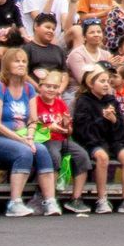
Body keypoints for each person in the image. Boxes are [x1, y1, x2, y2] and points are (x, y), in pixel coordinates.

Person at [0, 48, 60, 217]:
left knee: (42, 150)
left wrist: (30, 136)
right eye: (17, 61)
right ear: (7, 64)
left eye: (24, 61)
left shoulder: (29, 89)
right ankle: (14, 203)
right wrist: (21, 140)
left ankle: (50, 201)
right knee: (24, 152)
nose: (21, 64)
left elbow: (32, 119)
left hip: (23, 136)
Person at [73, 65, 124, 213]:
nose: (106, 85)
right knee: (102, 157)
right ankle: (102, 199)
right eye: (102, 81)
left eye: (107, 82)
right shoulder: (83, 101)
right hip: (91, 141)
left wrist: (114, 121)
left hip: (112, 141)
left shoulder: (112, 100)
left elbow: (121, 130)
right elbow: (83, 130)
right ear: (91, 83)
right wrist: (101, 119)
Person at [31, 68, 93, 214]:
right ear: (40, 87)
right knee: (54, 156)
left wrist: (66, 126)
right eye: (47, 86)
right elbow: (33, 122)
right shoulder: (35, 101)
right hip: (45, 138)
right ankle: (48, 196)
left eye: (55, 87)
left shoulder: (60, 103)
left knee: (82, 155)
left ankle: (76, 199)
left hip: (61, 139)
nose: (51, 90)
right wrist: (49, 127)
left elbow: (69, 131)